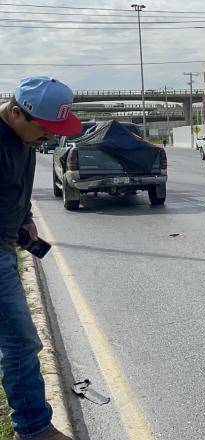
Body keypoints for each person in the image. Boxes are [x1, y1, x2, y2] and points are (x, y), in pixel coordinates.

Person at [0, 76, 81, 440]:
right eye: (45, 130)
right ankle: (33, 430)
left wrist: (26, 218)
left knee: (14, 338)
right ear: (17, 113)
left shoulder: (26, 136)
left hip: (7, 243)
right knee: (21, 341)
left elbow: (16, 184)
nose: (49, 138)